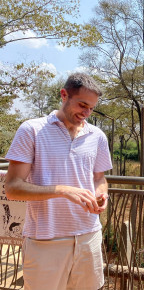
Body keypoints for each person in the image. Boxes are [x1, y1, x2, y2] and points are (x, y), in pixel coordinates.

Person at [5, 73, 113, 290]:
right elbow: (13, 188)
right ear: (64, 95)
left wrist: (103, 195)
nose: (86, 113)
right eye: (82, 105)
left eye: (91, 108)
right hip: (45, 239)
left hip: (89, 236)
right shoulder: (32, 130)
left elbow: (99, 178)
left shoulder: (98, 136)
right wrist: (62, 190)